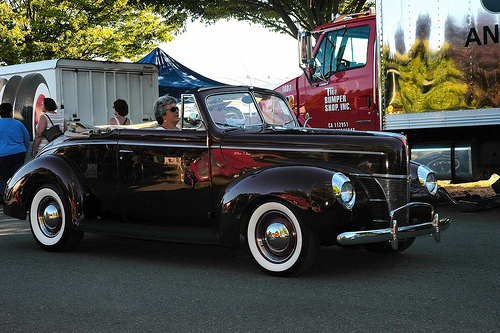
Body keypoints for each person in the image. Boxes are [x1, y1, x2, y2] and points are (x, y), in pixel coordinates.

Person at [0, 103, 30, 202]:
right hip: (18, 153)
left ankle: (6, 195)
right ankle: (17, 196)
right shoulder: (18, 124)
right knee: (16, 177)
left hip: (2, 155)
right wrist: (24, 149)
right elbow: (27, 138)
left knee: (1, 177)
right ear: (10, 112)